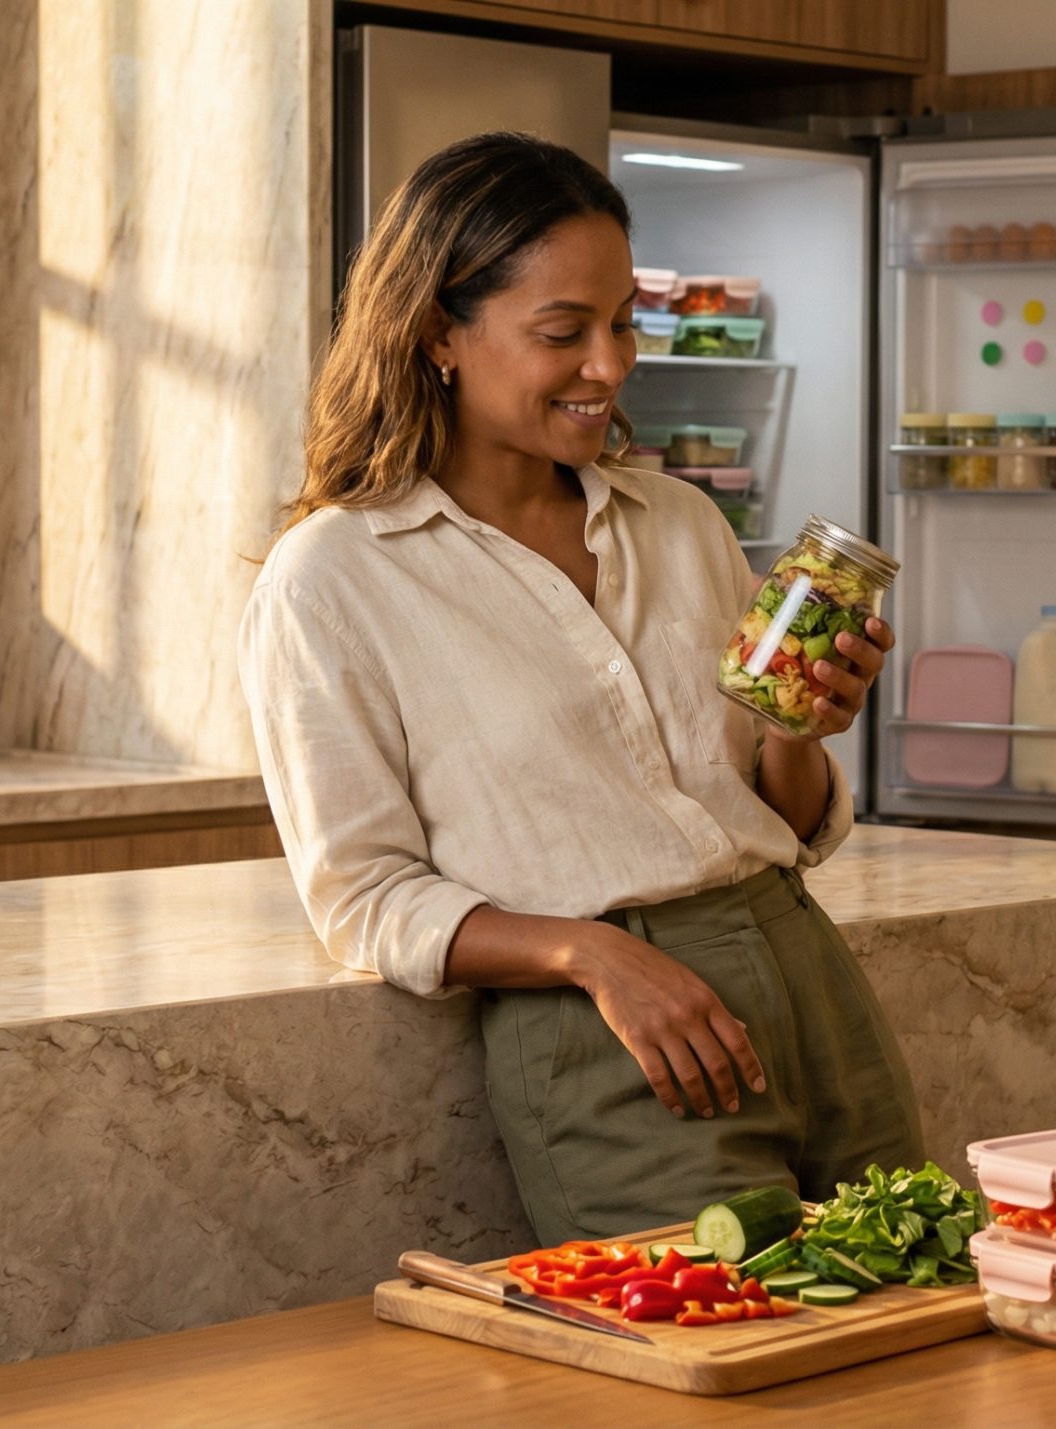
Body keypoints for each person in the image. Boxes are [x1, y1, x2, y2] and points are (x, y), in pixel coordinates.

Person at [240, 132, 925, 1244]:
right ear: (438, 335)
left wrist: (805, 729)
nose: (608, 365)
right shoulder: (335, 577)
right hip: (611, 1028)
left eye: (623, 324)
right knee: (716, 1366)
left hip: (803, 967)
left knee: (915, 1320)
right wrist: (589, 951)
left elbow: (776, 822)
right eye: (563, 332)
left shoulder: (682, 523)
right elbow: (361, 898)